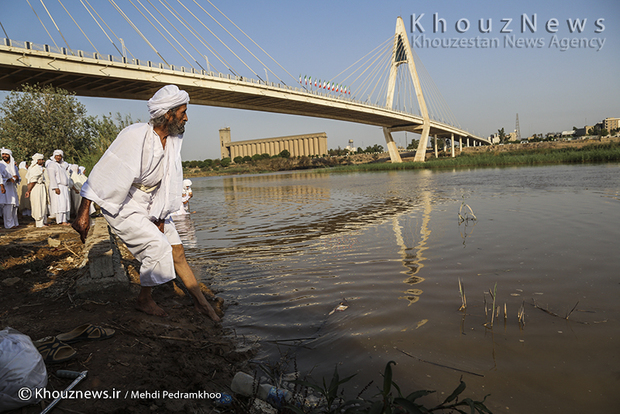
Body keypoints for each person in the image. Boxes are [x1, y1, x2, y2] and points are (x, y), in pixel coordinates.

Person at [72, 85, 220, 321]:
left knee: (177, 250)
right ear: (169, 114)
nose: (186, 118)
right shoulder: (135, 135)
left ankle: (200, 302)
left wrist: (161, 216)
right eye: (183, 112)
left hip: (154, 203)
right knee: (157, 246)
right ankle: (144, 299)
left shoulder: (172, 140)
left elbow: (168, 182)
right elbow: (104, 172)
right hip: (125, 204)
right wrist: (83, 213)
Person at [46, 150, 73, 225]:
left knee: (64, 204)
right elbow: (52, 177)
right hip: (58, 186)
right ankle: (60, 221)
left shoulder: (61, 165)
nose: (58, 157)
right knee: (60, 204)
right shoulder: (52, 165)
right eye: (57, 155)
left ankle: (64, 220)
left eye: (60, 156)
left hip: (64, 187)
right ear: (54, 156)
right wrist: (55, 187)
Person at [25, 153, 49, 227]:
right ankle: (39, 223)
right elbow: (33, 181)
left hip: (40, 186)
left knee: (42, 204)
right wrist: (29, 191)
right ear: (37, 160)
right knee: (38, 204)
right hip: (36, 187)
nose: (43, 161)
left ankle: (43, 221)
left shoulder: (38, 168)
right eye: (41, 160)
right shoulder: (35, 168)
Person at [0, 148, 20, 228]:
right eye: (3, 154)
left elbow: (18, 177)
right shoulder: (1, 164)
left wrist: (16, 178)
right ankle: (8, 225)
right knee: (7, 206)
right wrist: (7, 180)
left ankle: (15, 223)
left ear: (10, 155)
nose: (4, 156)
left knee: (14, 206)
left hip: (13, 188)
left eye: (6, 154)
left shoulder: (13, 166)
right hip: (5, 187)